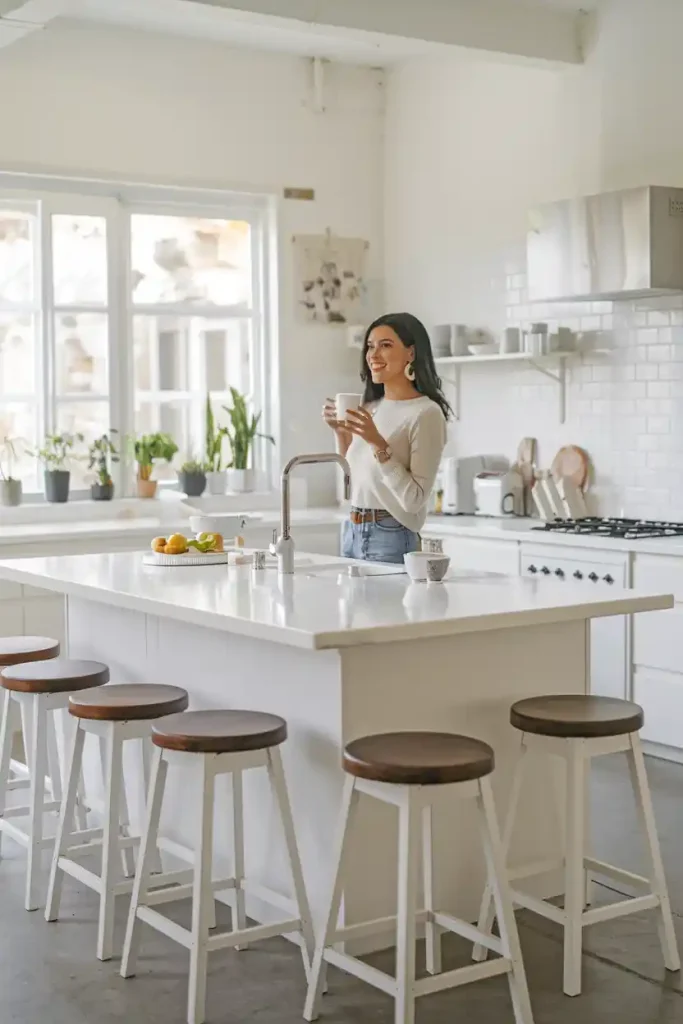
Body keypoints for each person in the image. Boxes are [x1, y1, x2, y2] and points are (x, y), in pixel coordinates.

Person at [323, 312, 450, 564]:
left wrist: (377, 443)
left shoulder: (426, 413)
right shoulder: (371, 409)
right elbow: (350, 490)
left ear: (411, 354)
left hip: (390, 535)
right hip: (352, 530)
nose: (373, 355)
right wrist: (342, 434)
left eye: (385, 345)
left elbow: (414, 501)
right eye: (370, 346)